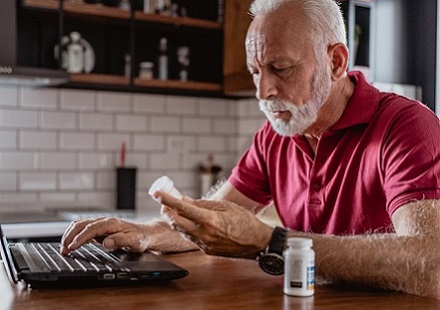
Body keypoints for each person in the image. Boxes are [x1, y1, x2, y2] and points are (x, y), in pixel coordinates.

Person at [61, 0, 440, 299]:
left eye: (281, 68)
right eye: (256, 71)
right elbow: (212, 221)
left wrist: (271, 243)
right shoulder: (277, 133)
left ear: (336, 61)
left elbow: (431, 264)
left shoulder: (406, 126)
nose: (263, 92)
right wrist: (146, 233)